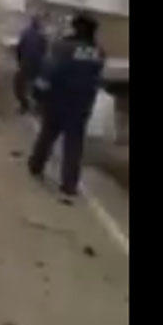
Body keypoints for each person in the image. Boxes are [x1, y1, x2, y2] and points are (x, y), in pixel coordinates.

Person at [28, 13, 104, 196]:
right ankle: (69, 183)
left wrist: (37, 92)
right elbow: (96, 78)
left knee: (48, 134)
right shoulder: (98, 52)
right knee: (74, 144)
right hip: (82, 105)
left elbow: (49, 70)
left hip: (59, 100)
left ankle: (36, 165)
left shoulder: (63, 47)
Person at [14, 14, 48, 114]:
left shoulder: (25, 33)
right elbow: (45, 51)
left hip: (27, 63)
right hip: (37, 65)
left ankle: (24, 105)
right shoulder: (42, 36)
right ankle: (37, 106)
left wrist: (19, 61)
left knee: (19, 85)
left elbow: (19, 49)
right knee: (37, 85)